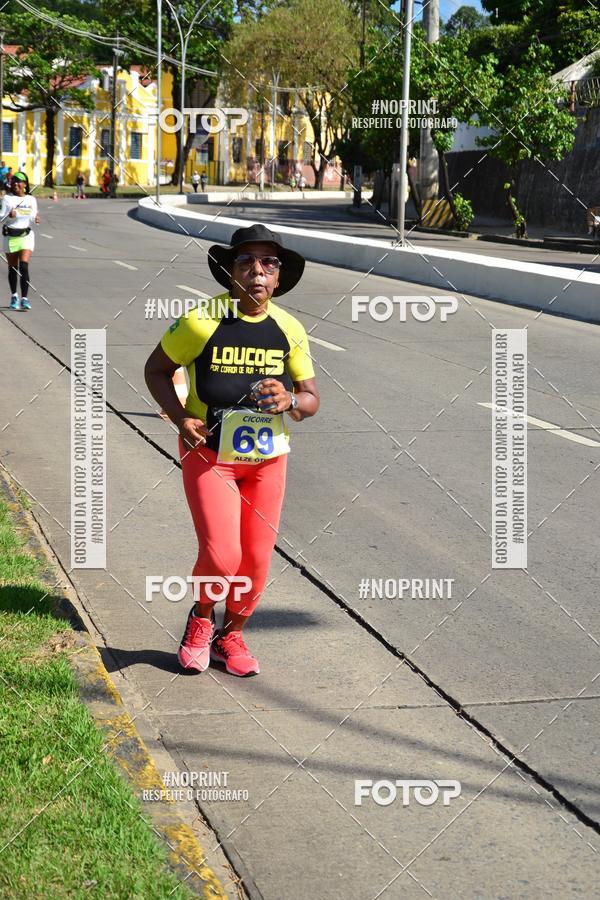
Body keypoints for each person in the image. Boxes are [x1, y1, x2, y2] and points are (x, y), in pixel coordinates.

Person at [144, 224, 320, 676]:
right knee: (223, 556)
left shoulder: (290, 328)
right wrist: (182, 417)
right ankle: (201, 620)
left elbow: (311, 398)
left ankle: (232, 635)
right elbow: (156, 370)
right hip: (210, 455)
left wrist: (292, 402)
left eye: (268, 263)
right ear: (229, 271)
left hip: (267, 458)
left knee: (257, 560)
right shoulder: (202, 320)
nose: (257, 271)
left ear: (279, 277)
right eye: (245, 261)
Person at [1, 172, 40, 310]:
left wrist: (36, 218)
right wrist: (9, 215)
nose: (16, 183)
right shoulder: (7, 199)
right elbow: (1, 219)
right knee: (13, 269)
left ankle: (24, 298)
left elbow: (32, 216)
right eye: (14, 181)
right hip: (10, 237)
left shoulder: (31, 200)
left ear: (25, 184)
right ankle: (14, 296)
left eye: (19, 181)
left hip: (26, 236)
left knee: (23, 266)